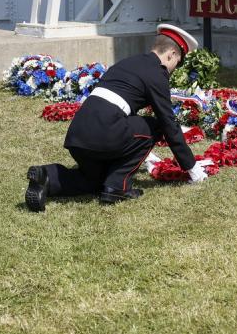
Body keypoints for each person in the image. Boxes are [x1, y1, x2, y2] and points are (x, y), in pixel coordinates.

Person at [25, 24, 208, 210]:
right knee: (155, 126)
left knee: (92, 181)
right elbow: (168, 123)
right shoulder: (156, 73)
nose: (174, 68)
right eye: (177, 62)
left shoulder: (127, 63)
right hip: (105, 134)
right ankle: (117, 186)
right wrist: (191, 168)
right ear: (171, 54)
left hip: (78, 135)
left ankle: (45, 176)